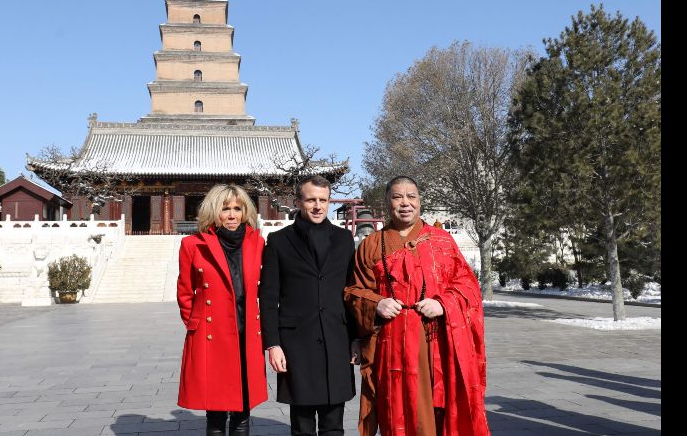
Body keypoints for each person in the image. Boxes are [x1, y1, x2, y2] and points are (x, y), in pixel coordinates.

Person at [344, 176, 489, 436]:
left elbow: (468, 286)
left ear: (420, 202)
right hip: (390, 344)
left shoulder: (442, 241)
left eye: (411, 196)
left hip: (434, 342)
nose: (405, 203)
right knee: (393, 410)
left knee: (437, 410)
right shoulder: (371, 244)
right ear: (387, 202)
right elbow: (354, 291)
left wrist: (443, 303)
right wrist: (377, 303)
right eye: (398, 197)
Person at [260, 175, 356, 436]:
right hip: (296, 343)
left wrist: (357, 338)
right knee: (301, 425)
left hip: (337, 339)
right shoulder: (279, 241)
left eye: (323, 200)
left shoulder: (344, 239)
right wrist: (273, 343)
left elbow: (353, 292)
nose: (317, 206)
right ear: (298, 202)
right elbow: (268, 297)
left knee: (334, 425)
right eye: (311, 199)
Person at [177, 184, 268, 436]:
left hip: (246, 335)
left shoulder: (257, 244)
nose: (231, 215)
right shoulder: (193, 245)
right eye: (225, 209)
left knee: (243, 411)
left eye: (237, 208)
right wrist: (198, 324)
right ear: (213, 212)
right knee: (215, 413)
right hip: (212, 336)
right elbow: (185, 293)